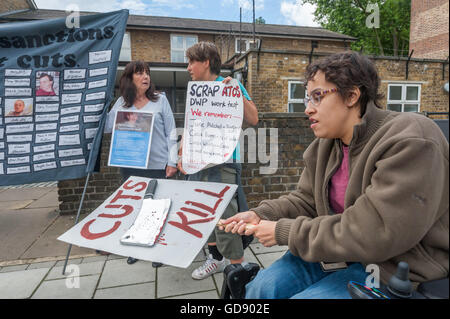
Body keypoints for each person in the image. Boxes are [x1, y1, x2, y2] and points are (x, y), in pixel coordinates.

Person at [220, 51, 449, 299]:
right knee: (259, 289)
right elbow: (305, 200)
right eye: (308, 99)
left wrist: (283, 231)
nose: (308, 109)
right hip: (334, 253)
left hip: (389, 267)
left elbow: (374, 232)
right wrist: (261, 214)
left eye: (317, 97)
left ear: (352, 95)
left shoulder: (411, 138)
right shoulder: (325, 145)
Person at [178, 41, 259, 280]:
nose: (188, 68)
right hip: (198, 164)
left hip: (223, 164)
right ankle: (215, 258)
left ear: (206, 62)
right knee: (204, 214)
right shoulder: (196, 91)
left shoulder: (228, 85)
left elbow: (253, 118)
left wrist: (235, 92)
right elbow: (191, 127)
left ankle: (238, 267)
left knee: (226, 216)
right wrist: (182, 153)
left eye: (192, 61)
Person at [105, 60, 178, 266]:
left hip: (157, 164)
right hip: (130, 163)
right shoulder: (122, 103)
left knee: (157, 209)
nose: (145, 76)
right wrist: (105, 105)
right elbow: (107, 128)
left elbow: (171, 132)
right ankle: (136, 247)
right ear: (129, 79)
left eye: (147, 73)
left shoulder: (160, 100)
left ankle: (157, 251)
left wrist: (172, 161)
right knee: (136, 206)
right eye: (140, 73)